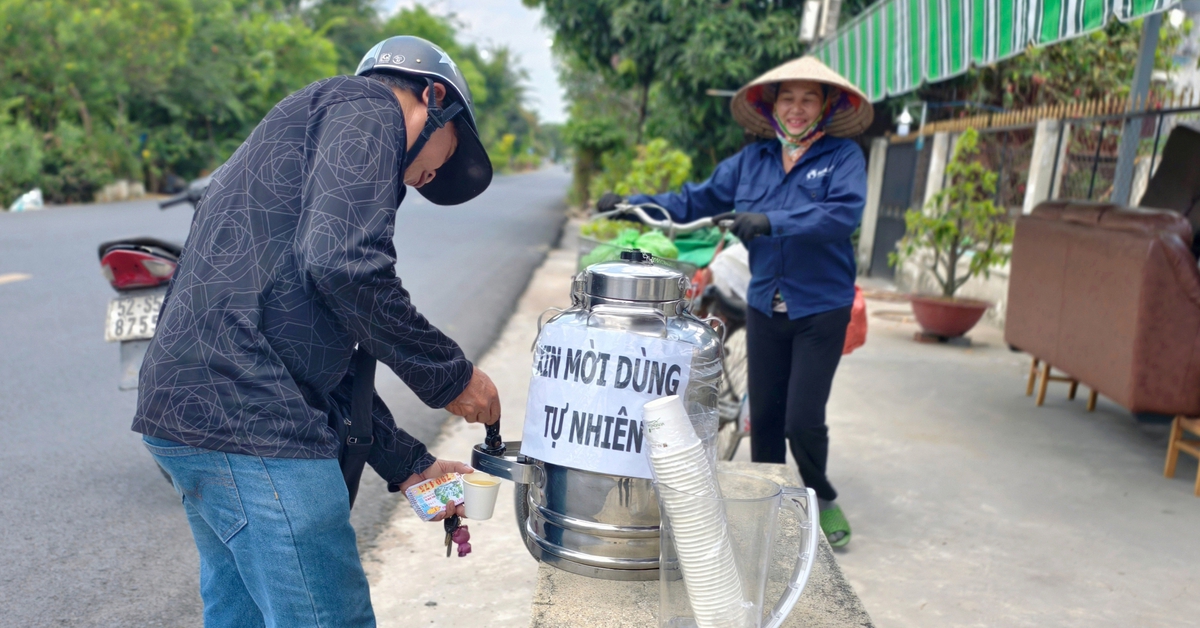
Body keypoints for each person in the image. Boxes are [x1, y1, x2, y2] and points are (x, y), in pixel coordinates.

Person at [133, 36, 501, 626]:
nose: (426, 180)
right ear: (432, 98)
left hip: (193, 414)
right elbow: (347, 265)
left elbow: (314, 352)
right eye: (444, 156)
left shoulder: (300, 143)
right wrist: (451, 376)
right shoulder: (369, 107)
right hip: (251, 421)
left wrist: (412, 467)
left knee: (242, 616)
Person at [598, 56, 873, 547]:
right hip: (766, 302)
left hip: (821, 307)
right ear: (772, 107)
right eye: (787, 98)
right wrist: (633, 204)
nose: (796, 108)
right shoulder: (752, 162)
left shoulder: (843, 158)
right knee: (763, 418)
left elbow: (841, 217)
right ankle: (769, 500)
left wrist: (773, 222)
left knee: (802, 419)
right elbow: (695, 199)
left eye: (808, 98)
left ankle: (820, 494)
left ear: (827, 105)